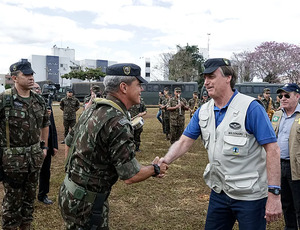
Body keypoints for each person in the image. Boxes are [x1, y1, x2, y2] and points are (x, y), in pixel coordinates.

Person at [159, 58, 282, 229]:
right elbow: (184, 142)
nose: (206, 82)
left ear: (228, 77)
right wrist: (165, 160)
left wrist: (274, 194)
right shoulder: (204, 111)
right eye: (205, 78)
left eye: (211, 77)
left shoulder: (251, 108)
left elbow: (273, 150)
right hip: (219, 191)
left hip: (250, 196)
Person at [58, 63, 168, 230]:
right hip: (87, 205)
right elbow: (131, 176)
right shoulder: (117, 121)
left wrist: (73, 173)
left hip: (70, 191)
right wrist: (156, 169)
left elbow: (69, 141)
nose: (142, 90)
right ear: (124, 87)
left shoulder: (93, 107)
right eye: (138, 85)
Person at [0, 61, 50, 230]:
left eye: (31, 74)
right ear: (14, 77)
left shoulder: (38, 100)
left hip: (34, 160)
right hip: (12, 162)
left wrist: (44, 146)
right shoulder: (4, 99)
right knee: (12, 203)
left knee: (29, 202)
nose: (31, 78)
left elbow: (45, 123)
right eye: (26, 75)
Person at [271, 83, 300, 230]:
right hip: (278, 166)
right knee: (286, 204)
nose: (283, 98)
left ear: (297, 96)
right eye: (281, 96)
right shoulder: (277, 115)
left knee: (299, 204)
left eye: (287, 95)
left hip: (296, 167)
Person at [32, 83, 58, 205]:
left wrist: (54, 145)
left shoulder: (45, 104)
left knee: (45, 171)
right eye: (34, 88)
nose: (37, 90)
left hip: (45, 145)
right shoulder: (27, 104)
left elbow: (52, 127)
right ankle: (28, 196)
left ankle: (43, 195)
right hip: (32, 144)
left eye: (38, 88)